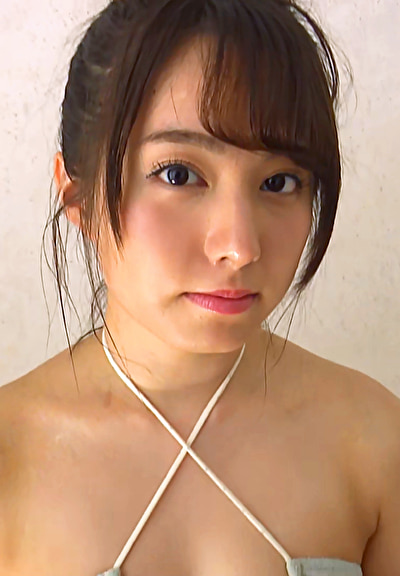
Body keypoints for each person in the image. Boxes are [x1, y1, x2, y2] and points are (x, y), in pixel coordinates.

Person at [0, 0, 399, 575]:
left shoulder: (374, 440)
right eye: (179, 174)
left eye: (279, 182)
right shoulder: (12, 455)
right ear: (77, 196)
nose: (239, 247)